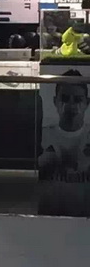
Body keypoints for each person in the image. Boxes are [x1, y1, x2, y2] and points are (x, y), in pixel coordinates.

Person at [39, 70, 90, 215]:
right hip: (49, 215)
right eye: (65, 99)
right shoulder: (43, 135)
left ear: (87, 103)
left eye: (77, 99)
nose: (71, 105)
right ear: (55, 101)